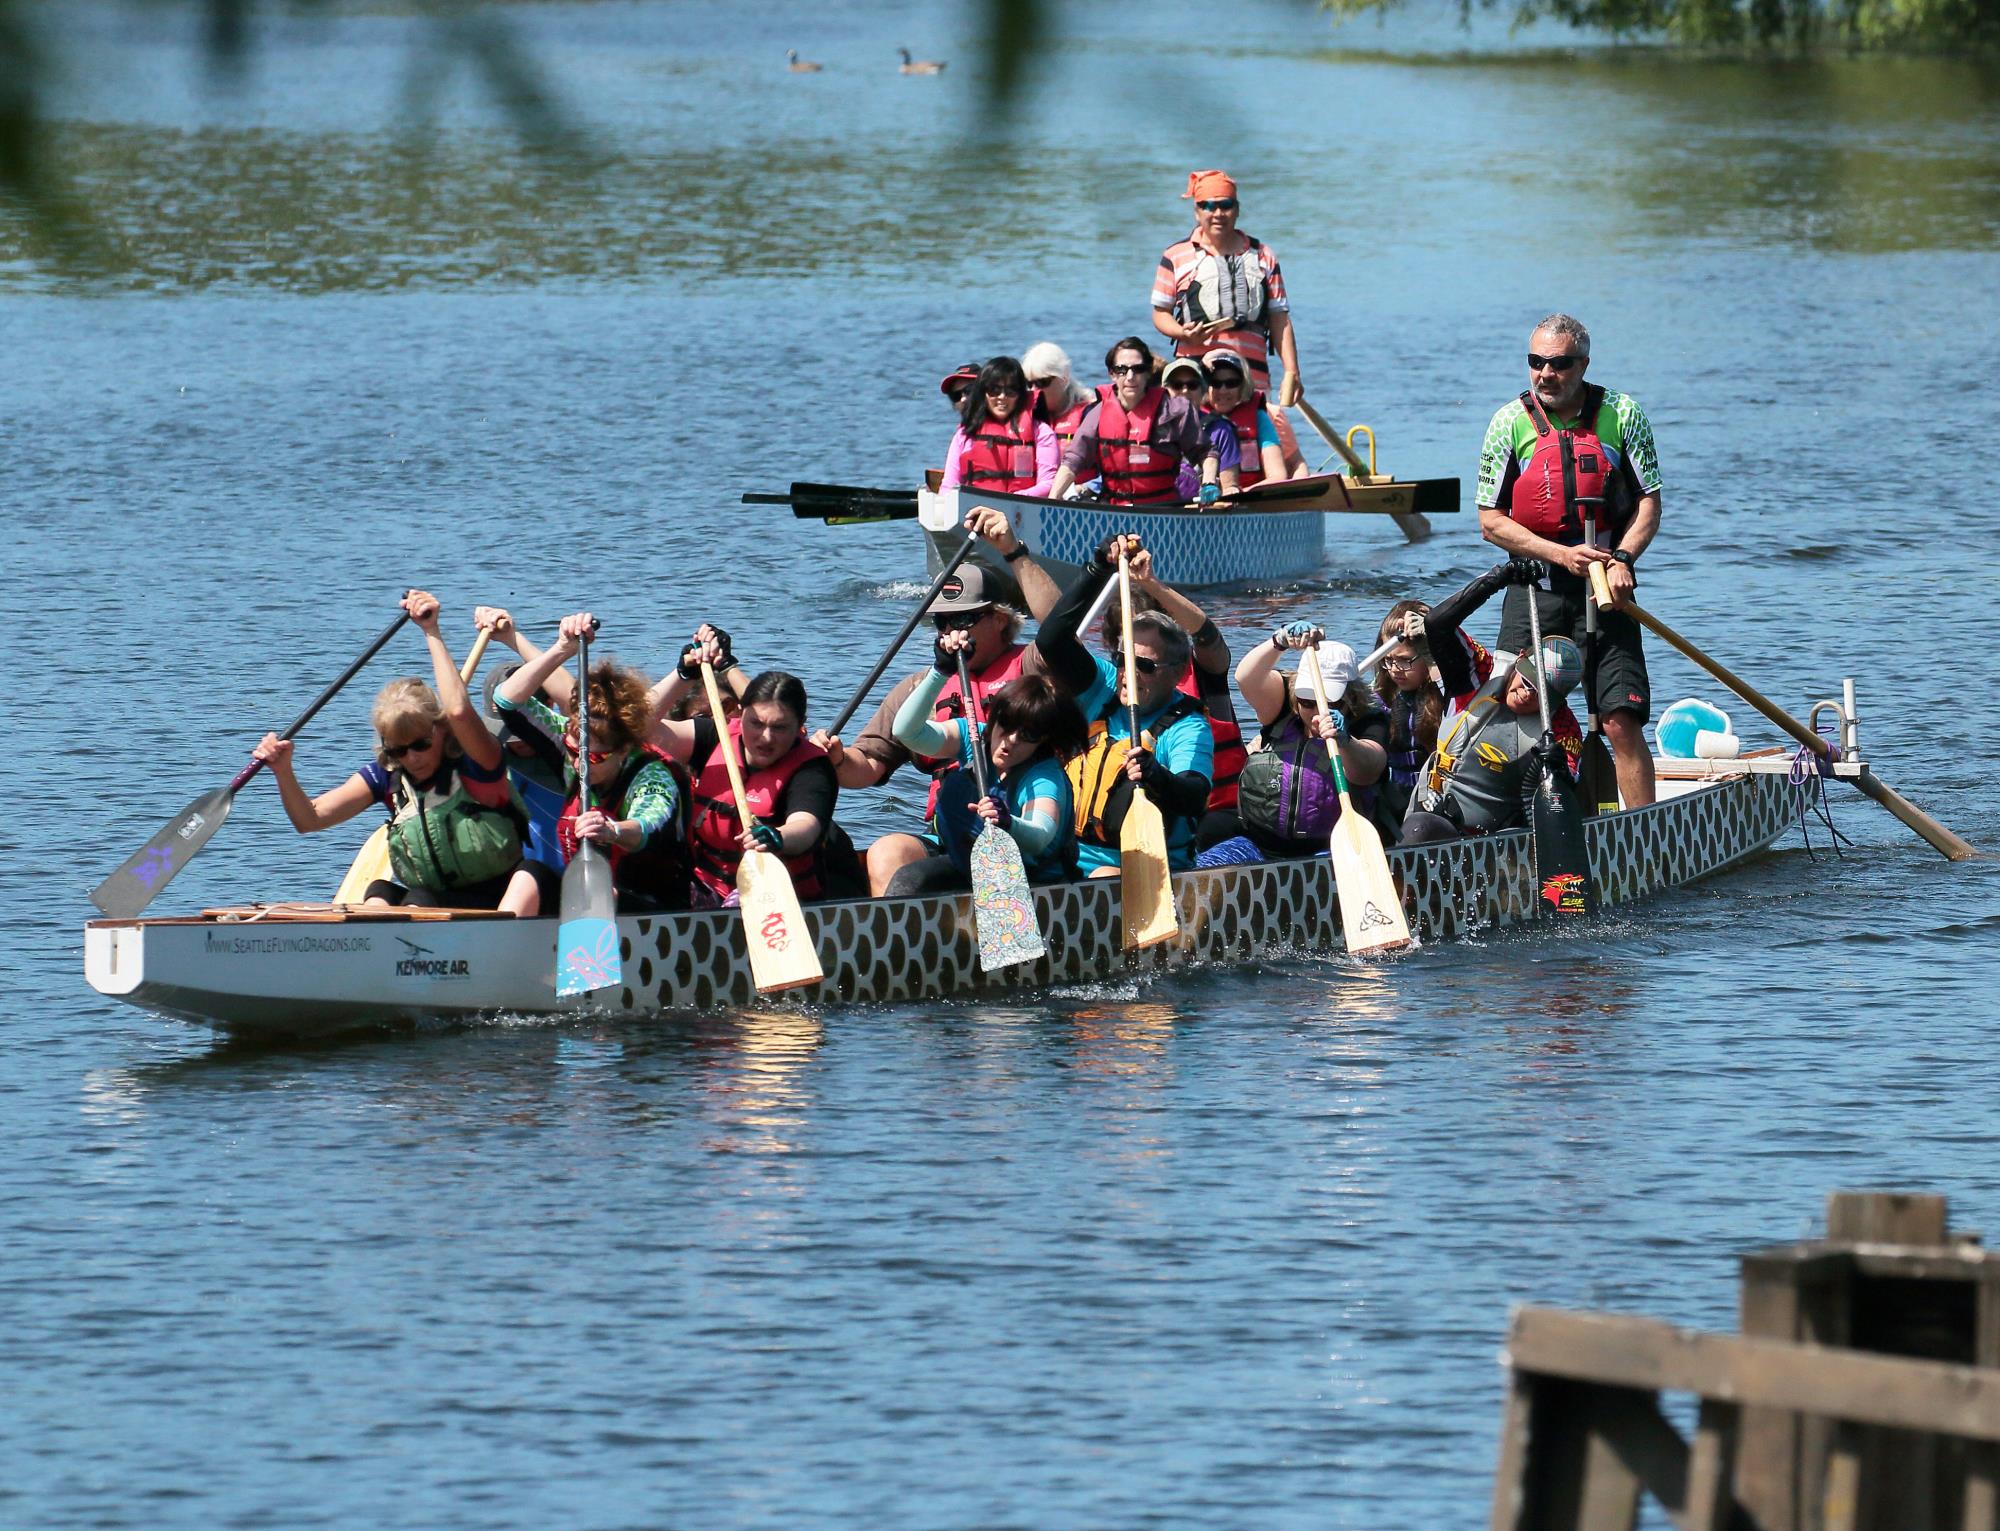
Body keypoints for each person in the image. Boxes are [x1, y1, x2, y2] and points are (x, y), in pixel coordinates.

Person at [816, 510, 1061, 896]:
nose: (951, 632)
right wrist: (837, 760)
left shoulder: (1033, 666)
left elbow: (1061, 626)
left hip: (1025, 831)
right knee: (885, 852)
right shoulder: (920, 687)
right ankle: (897, 946)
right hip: (950, 836)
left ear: (999, 619)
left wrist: (1014, 552)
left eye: (962, 619)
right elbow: (867, 768)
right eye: (941, 622)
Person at [252, 590, 543, 915]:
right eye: (399, 749)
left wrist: (431, 631)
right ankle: (368, 950)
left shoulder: (478, 763)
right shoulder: (388, 777)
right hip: (435, 903)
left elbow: (459, 710)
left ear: (441, 731)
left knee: (423, 899)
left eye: (420, 744)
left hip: (498, 899)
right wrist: (283, 771)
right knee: (381, 890)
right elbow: (310, 819)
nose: (412, 758)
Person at [1477, 312, 1663, 808]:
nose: (1544, 374)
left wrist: (1622, 558)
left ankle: (1642, 835)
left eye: (1558, 364)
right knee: (1517, 714)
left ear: (1583, 364)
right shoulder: (1507, 423)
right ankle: (1509, 825)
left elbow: (1650, 505)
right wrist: (1559, 554)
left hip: (1606, 587)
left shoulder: (1623, 415)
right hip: (1535, 591)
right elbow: (1490, 520)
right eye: (1535, 362)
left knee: (1621, 720)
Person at [1032, 534, 1214, 876]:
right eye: (1122, 659)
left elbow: (1194, 795)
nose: (1128, 673)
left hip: (1145, 865)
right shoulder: (1100, 686)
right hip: (1069, 855)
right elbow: (1052, 640)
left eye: (1143, 665)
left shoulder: (1187, 725)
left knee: (1103, 877)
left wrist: (1156, 775)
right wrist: (1097, 569)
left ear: (1176, 673)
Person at [495, 612, 693, 912]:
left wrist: (612, 830)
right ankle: (501, 951)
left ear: (624, 749)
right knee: (529, 874)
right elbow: (508, 701)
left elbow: (647, 824)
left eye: (594, 757)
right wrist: (562, 648)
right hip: (589, 896)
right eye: (575, 753)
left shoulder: (652, 776)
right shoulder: (572, 742)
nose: (579, 765)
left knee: (601, 892)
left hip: (653, 907)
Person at [880, 626, 1087, 896]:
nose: (1011, 740)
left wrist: (1009, 823)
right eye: (1006, 725)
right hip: (973, 867)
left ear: (1043, 739)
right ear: (995, 718)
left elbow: (1040, 834)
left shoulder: (1043, 775)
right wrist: (940, 670)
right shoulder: (974, 737)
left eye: (1028, 734)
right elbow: (907, 731)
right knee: (909, 880)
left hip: (1034, 882)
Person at [645, 643, 847, 906]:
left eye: (780, 727)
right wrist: (682, 675)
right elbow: (637, 728)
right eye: (756, 723)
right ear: (742, 714)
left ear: (800, 726)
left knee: (738, 904)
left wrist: (778, 837)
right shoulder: (714, 735)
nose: (766, 737)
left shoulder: (811, 769)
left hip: (775, 893)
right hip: (706, 885)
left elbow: (805, 827)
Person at [1367, 559, 1542, 842]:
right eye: (1388, 662)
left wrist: (1499, 577)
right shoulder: (1380, 700)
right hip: (1400, 805)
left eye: (1405, 661)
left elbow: (1442, 630)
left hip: (1451, 807)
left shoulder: (1455, 692)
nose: (1396, 670)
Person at [1223, 624, 1389, 859]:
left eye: (1328, 703)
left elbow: (1369, 770)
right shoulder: (1282, 706)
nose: (1316, 712)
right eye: (1307, 702)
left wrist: (1346, 742)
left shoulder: (1368, 718)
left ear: (1351, 696)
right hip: (1259, 847)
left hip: (1331, 850)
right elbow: (1246, 678)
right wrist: (1279, 641)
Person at [1401, 633, 1585, 845]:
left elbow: (1567, 784)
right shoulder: (1485, 674)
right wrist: (1424, 626)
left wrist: (1559, 769)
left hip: (1503, 836)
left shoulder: (1564, 727)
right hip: (1440, 818)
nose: (1526, 694)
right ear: (1519, 662)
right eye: (1526, 682)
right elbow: (1441, 628)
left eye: (1538, 693)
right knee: (1419, 828)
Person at [1150, 170, 1302, 411]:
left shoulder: (1263, 255)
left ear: (1237, 209)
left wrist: (1292, 371)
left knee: (1254, 444)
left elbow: (1279, 318)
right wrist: (1182, 332)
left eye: (1225, 205)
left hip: (1252, 381)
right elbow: (1160, 314)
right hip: (1196, 382)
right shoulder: (1175, 256)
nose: (1217, 213)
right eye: (1208, 206)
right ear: (1197, 212)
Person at [1048, 337, 1217, 505]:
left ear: (1148, 372)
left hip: (1163, 510)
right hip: (1113, 511)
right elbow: (1073, 460)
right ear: (1112, 374)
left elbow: (1205, 452)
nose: (1130, 376)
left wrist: (1208, 482)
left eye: (1138, 369)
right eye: (1121, 369)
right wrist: (1053, 500)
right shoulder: (1097, 414)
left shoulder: (1175, 411)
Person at [940, 355, 1058, 496]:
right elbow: (948, 485)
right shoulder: (964, 434)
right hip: (974, 511)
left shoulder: (1042, 432)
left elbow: (1049, 483)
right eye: (994, 390)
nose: (1002, 396)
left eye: (1010, 390)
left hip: (1021, 510)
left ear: (1021, 394)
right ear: (984, 394)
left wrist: (1011, 501)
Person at [1201, 348, 1291, 489]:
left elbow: (1278, 476)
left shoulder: (1258, 418)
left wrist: (1239, 494)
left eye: (1231, 383)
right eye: (1216, 383)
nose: (1223, 390)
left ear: (1243, 385)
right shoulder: (1192, 416)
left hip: (1249, 496)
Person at [1162, 355, 1241, 505]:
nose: (1185, 391)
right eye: (1177, 385)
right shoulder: (1151, 428)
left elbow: (1229, 487)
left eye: (1192, 385)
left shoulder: (1221, 430)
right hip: (1158, 508)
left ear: (1203, 390)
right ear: (1165, 391)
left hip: (1202, 512)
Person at [1021, 341, 1094, 457]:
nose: (1034, 390)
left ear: (1063, 378)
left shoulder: (1089, 415)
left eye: (1042, 382)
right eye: (1029, 384)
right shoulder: (1023, 417)